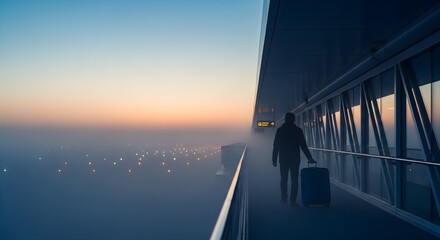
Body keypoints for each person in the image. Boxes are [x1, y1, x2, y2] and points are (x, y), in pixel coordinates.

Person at [272, 112, 316, 206]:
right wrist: (310, 158)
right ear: (294, 119)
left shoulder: (280, 130)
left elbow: (276, 146)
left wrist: (274, 159)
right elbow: (303, 145)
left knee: (283, 179)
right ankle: (293, 201)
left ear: (285, 119)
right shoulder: (298, 130)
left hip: (283, 158)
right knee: (294, 180)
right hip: (295, 159)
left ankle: (284, 198)